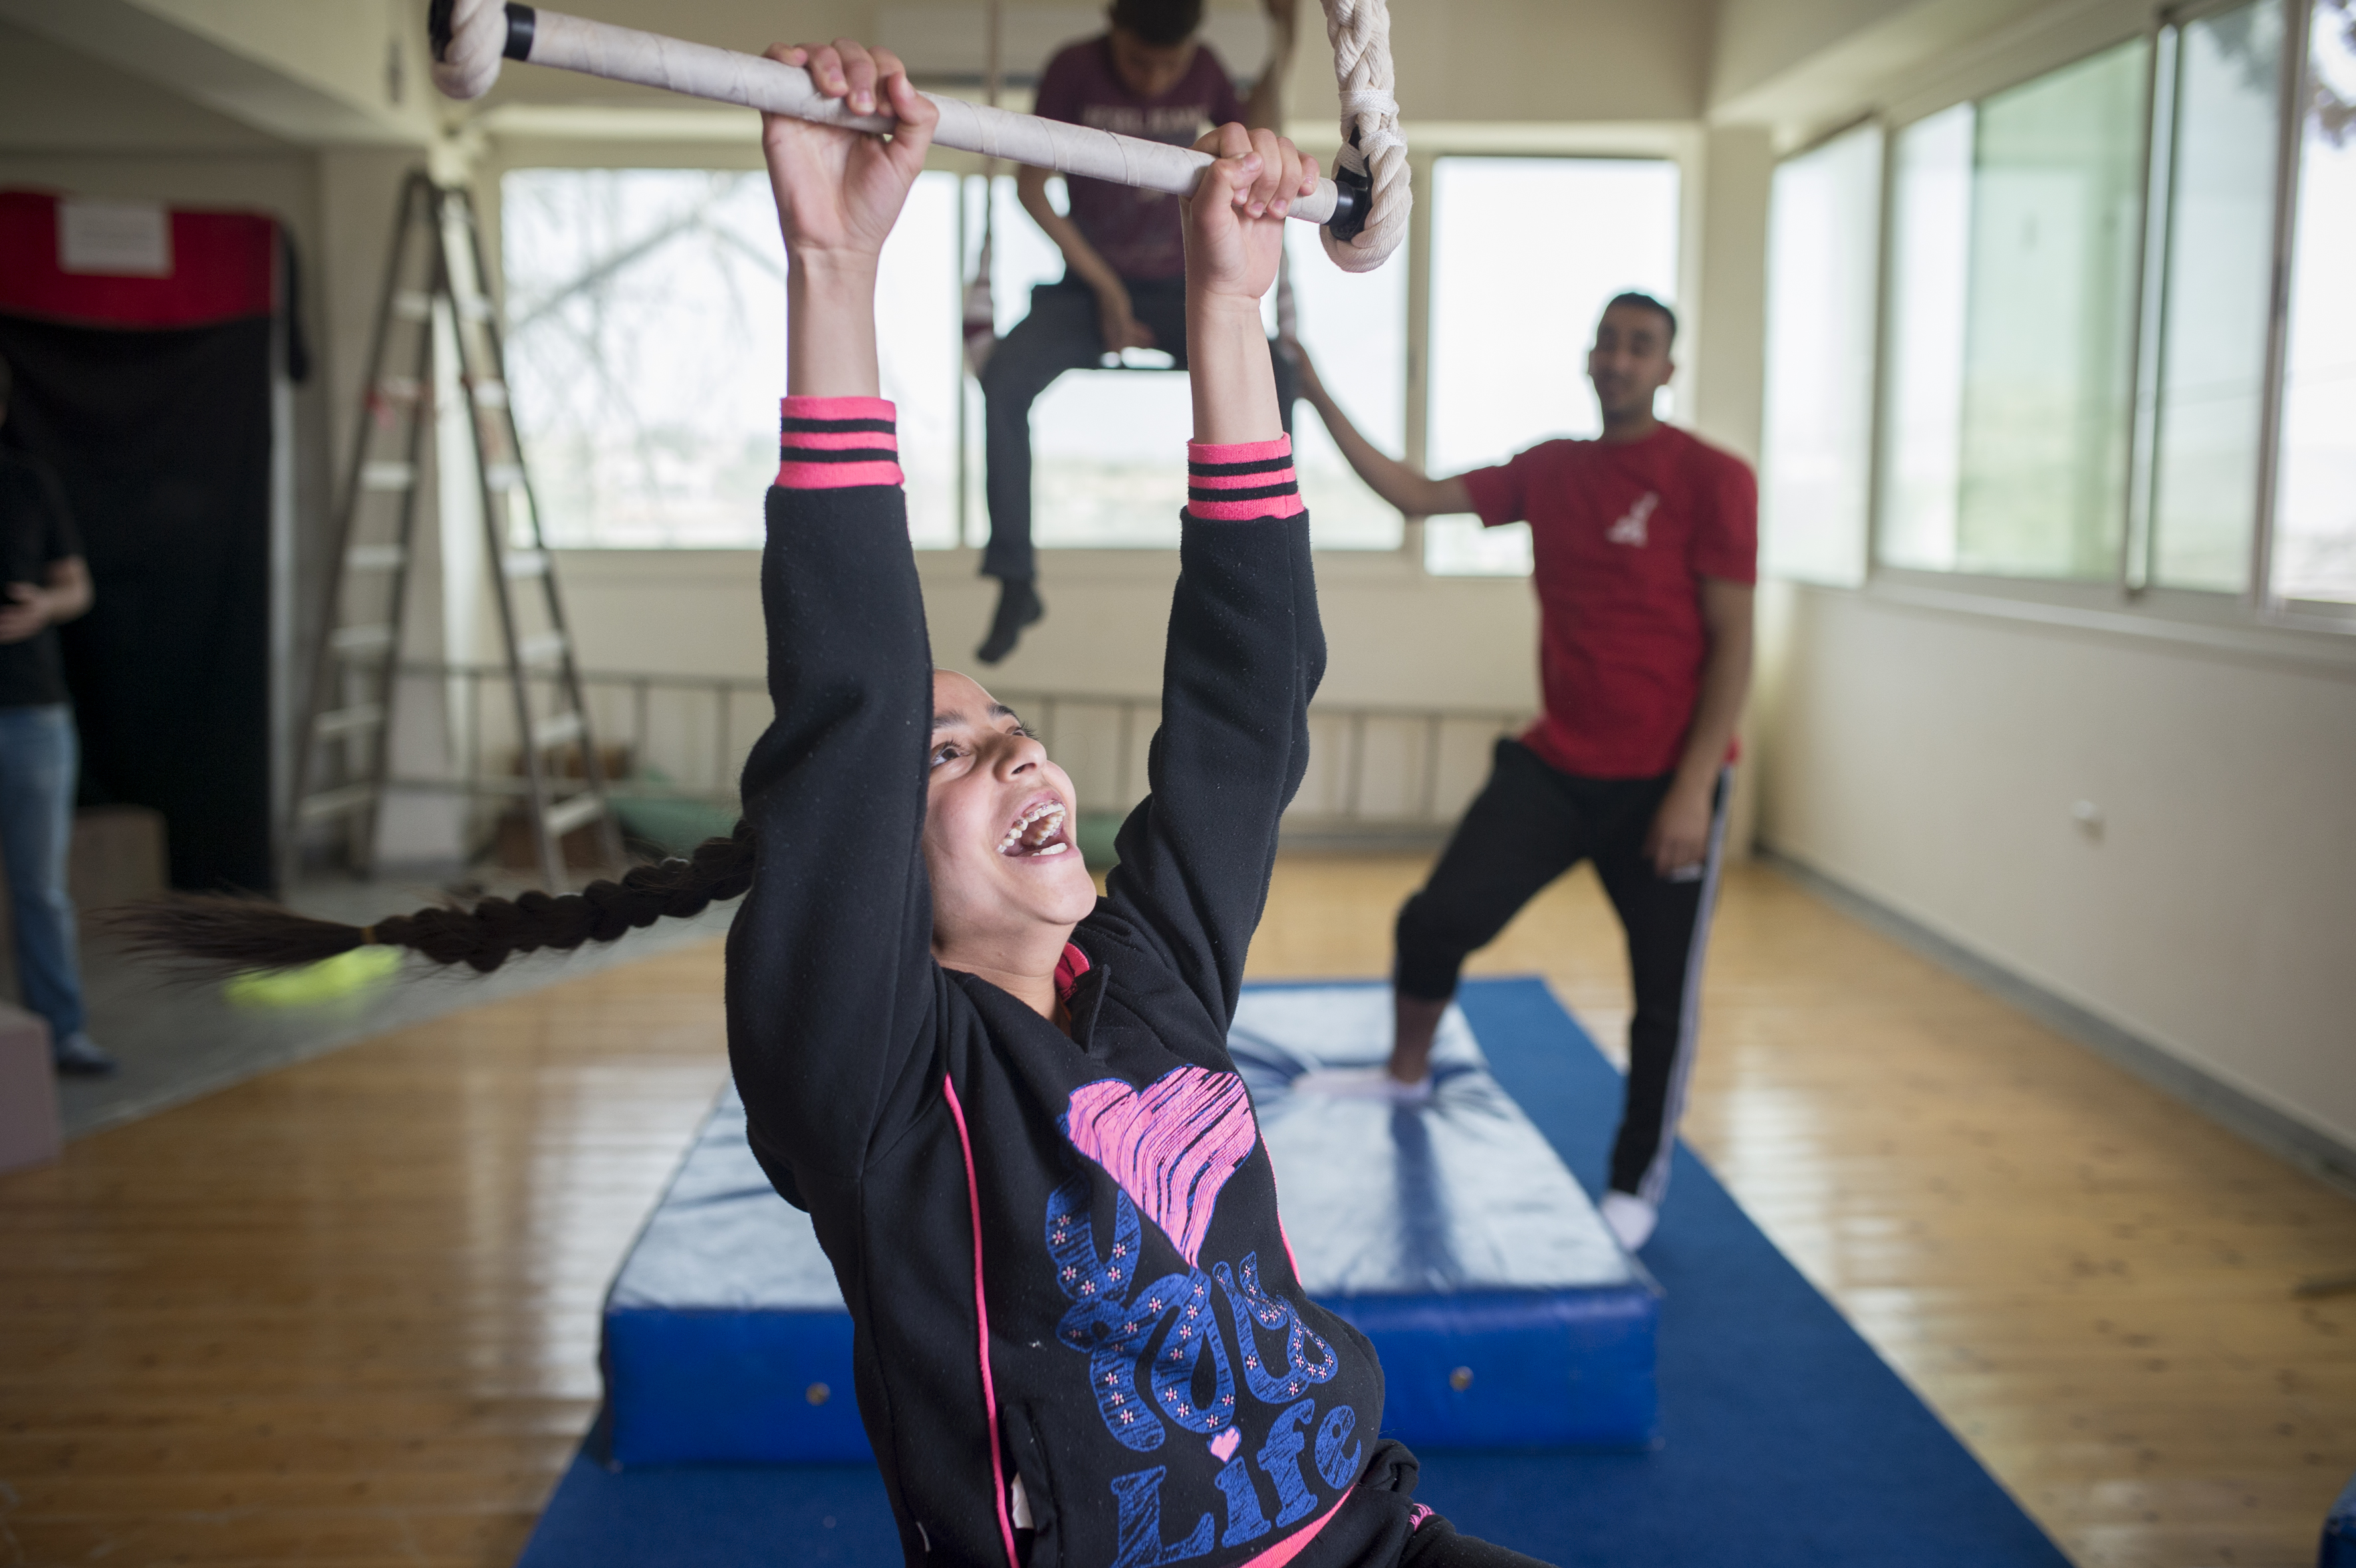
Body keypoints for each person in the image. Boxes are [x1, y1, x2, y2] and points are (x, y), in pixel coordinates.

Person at [128, 42, 1553, 1568]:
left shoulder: (1152, 972)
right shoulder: (874, 1077)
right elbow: (852, 695)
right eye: (947, 757)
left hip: (1373, 1526)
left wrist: (1229, 308)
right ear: (864, 861)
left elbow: (1247, 702)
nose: (1015, 756)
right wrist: (833, 263)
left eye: (1009, 729)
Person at [1290, 295, 1756, 1254]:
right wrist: (1310, 383)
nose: (1619, 359)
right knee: (1435, 917)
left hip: (1666, 780)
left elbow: (1733, 642)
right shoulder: (1552, 470)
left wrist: (1690, 787)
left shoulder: (1710, 478)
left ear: (1666, 368)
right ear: (1590, 360)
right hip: (1557, 761)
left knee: (1660, 994)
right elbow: (1412, 495)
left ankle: (1633, 1183)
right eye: (1608, 343)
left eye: (1640, 347)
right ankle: (1405, 1069)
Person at [976, 0, 1302, 664]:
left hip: (1183, 281)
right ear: (1112, 31)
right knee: (1004, 380)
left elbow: (1263, 134)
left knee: (1280, 376)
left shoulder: (1208, 69)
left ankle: (1270, 573)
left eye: (1169, 65)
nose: (1154, 80)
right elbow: (1032, 187)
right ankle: (1015, 577)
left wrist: (1285, 37)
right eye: (1138, 61)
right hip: (1091, 282)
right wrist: (1106, 289)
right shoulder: (1073, 69)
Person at [0, 356, 112, 1077]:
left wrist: (44, 607)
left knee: (41, 887)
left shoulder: (28, 481)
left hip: (33, 712)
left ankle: (60, 1032)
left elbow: (78, 588)